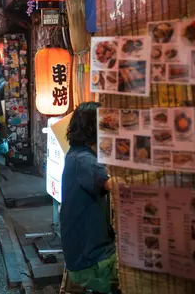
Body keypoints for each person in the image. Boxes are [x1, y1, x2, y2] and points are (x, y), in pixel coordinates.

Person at [60, 102, 120, 294]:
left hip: (85, 255)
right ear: (95, 127)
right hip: (93, 261)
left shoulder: (77, 154)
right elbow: (113, 185)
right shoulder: (84, 160)